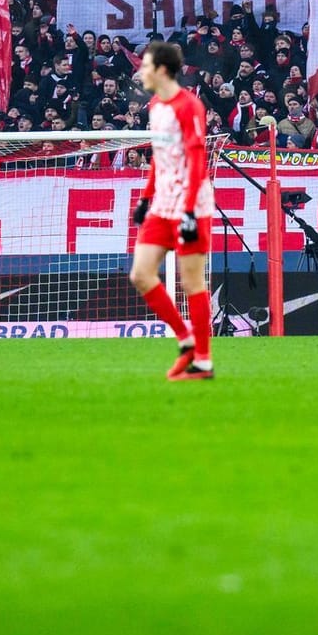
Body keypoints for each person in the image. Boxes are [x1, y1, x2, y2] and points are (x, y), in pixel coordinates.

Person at [126, 40, 216, 381]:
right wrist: (145, 198)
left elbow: (196, 160)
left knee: (192, 280)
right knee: (141, 274)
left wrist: (191, 210)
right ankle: (186, 338)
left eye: (145, 65)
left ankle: (204, 361)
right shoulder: (154, 106)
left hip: (190, 203)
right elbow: (159, 158)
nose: (140, 71)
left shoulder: (189, 106)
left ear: (162, 70)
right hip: (162, 203)